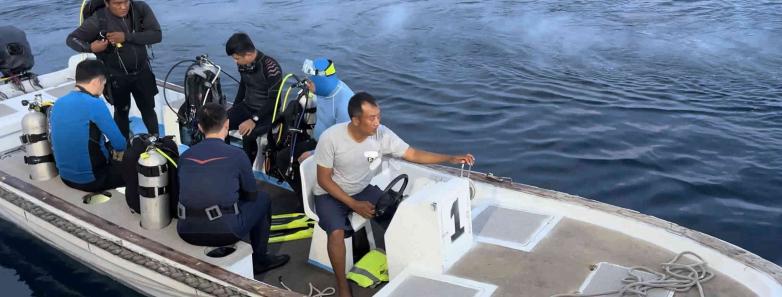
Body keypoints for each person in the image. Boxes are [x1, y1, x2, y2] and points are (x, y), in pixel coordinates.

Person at [313, 92, 475, 297]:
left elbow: (413, 154)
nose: (377, 122)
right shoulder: (331, 138)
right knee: (335, 233)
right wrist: (353, 204)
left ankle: (411, 266)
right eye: (372, 118)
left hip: (362, 189)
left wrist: (450, 158)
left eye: (379, 116)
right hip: (330, 194)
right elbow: (323, 180)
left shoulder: (382, 134)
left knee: (399, 213)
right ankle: (342, 287)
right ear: (355, 120)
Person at [177, 103, 289, 274]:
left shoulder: (185, 156)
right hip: (225, 232)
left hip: (185, 230)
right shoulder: (237, 155)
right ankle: (260, 259)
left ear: (199, 127)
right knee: (263, 198)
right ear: (227, 124)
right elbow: (251, 195)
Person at [66, 0, 162, 139]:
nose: (123, 7)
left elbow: (157, 35)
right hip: (116, 75)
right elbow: (72, 39)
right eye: (117, 3)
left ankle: (156, 141)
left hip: (142, 70)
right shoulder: (99, 19)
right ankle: (123, 149)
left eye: (125, 2)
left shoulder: (140, 9)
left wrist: (126, 36)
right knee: (122, 111)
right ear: (106, 3)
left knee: (148, 109)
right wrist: (91, 48)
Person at [50, 59, 127, 193]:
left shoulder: (58, 102)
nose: (103, 88)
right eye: (104, 84)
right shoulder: (94, 104)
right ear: (96, 82)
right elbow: (120, 144)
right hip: (92, 180)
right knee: (140, 168)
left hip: (65, 176)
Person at [225, 33, 283, 164]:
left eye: (236, 58)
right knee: (222, 123)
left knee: (248, 134)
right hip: (248, 106)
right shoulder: (243, 63)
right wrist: (234, 108)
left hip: (268, 112)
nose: (235, 61)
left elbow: (275, 101)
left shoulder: (271, 67)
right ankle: (226, 160)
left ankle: (246, 170)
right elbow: (243, 86)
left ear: (249, 55)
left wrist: (253, 120)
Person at [295, 58, 354, 162]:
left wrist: (313, 153)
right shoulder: (323, 91)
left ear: (321, 82)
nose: (307, 85)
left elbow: (344, 145)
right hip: (317, 141)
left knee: (284, 158)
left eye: (310, 82)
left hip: (328, 152)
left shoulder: (345, 105)